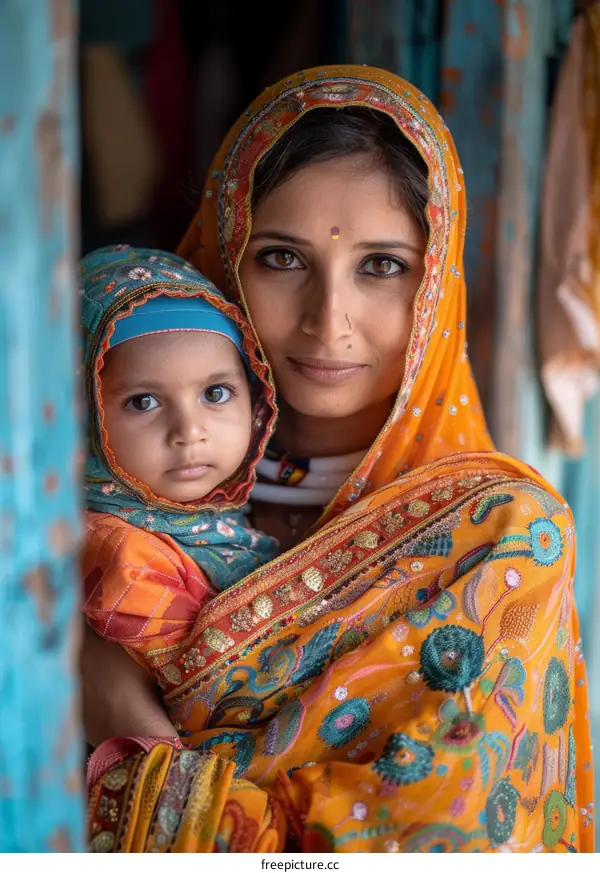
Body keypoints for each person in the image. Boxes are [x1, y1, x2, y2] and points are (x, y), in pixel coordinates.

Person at [85, 66, 594, 854]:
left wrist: (125, 727)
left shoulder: (500, 540)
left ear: (436, 287)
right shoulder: (115, 495)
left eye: (381, 265)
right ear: (223, 261)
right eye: (282, 259)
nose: (329, 321)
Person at [80, 245, 278, 738]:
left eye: (215, 393)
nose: (189, 432)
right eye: (143, 402)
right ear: (83, 415)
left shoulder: (216, 523)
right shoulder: (122, 556)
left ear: (254, 395)